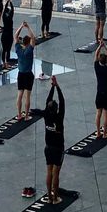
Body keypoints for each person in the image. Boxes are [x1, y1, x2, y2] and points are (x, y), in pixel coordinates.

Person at [43, 76, 65, 204]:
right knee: (56, 173)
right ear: (56, 109)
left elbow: (48, 100)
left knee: (49, 171)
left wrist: (52, 87)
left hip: (48, 147)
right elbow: (62, 101)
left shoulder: (46, 115)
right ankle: (55, 197)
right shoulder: (59, 116)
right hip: (58, 148)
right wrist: (57, 87)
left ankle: (49, 197)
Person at [14, 21, 36, 120]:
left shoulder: (19, 50)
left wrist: (21, 26)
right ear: (29, 42)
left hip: (20, 74)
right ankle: (26, 116)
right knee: (27, 96)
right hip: (28, 74)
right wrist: (28, 27)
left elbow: (15, 36)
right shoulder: (29, 50)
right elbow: (34, 38)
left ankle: (19, 115)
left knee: (19, 95)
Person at [94, 40, 107, 137]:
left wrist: (100, 46)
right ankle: (105, 133)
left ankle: (98, 132)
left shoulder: (97, 67)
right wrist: (105, 46)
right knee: (106, 114)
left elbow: (96, 54)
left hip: (99, 92)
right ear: (106, 61)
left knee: (98, 113)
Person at [1, 0, 15, 66]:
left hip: (4, 34)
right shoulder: (10, 17)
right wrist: (10, 3)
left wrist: (7, 2)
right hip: (9, 35)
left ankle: (4, 63)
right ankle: (7, 62)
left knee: (4, 50)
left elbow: (5, 10)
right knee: (8, 50)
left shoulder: (3, 17)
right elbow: (13, 10)